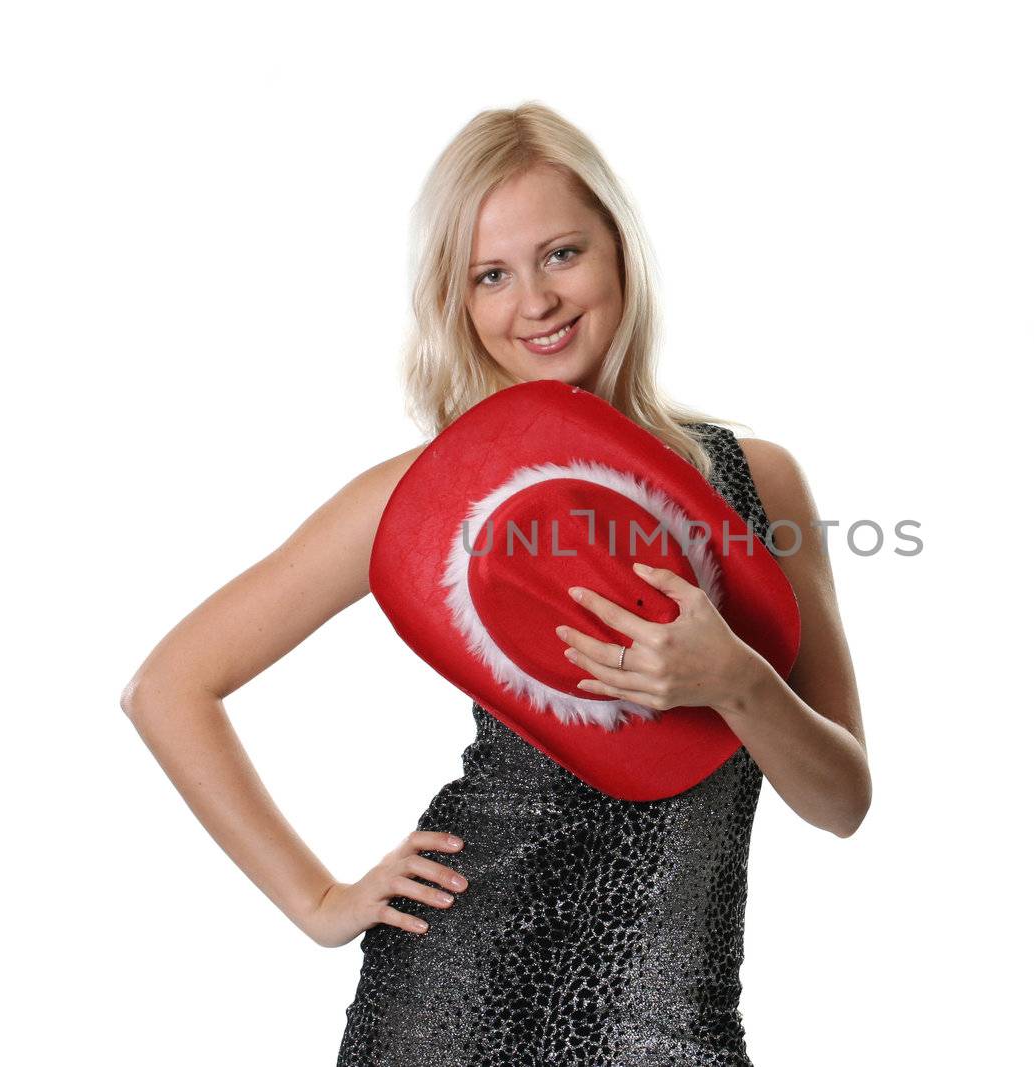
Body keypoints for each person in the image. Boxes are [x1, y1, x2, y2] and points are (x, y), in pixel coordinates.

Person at [119, 101, 870, 1066]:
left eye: (562, 254)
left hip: (677, 1017)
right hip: (454, 1003)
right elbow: (168, 687)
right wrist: (318, 900)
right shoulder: (426, 499)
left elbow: (842, 800)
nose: (537, 302)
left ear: (621, 252)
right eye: (491, 275)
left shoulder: (759, 482)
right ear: (459, 302)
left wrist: (734, 679)